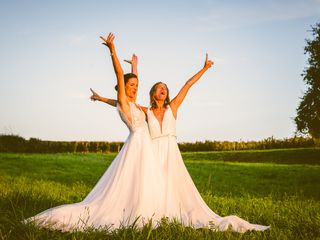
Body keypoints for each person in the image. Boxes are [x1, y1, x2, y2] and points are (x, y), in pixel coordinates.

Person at [94, 53, 270, 232]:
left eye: (166, 88)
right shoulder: (146, 111)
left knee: (174, 187)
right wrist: (102, 98)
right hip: (151, 152)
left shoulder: (173, 107)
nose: (164, 89)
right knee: (152, 187)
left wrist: (205, 68)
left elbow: (188, 84)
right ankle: (152, 213)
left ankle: (173, 213)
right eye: (160, 88)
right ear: (153, 93)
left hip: (171, 152)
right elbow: (123, 103)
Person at [23, 33, 165, 231]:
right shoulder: (124, 102)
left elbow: (123, 90)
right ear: (123, 88)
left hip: (144, 145)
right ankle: (134, 214)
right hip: (137, 145)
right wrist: (112, 51)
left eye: (136, 86)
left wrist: (134, 67)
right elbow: (119, 74)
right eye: (131, 86)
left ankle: (145, 212)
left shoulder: (131, 103)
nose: (135, 88)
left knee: (142, 181)